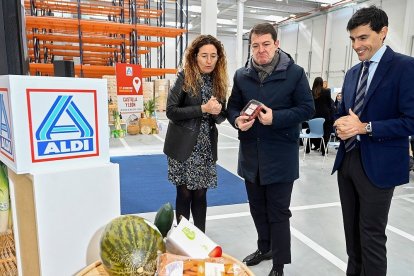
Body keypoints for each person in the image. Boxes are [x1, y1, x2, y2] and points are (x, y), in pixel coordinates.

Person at [227, 23, 314, 276]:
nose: (261, 50)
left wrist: (276, 118)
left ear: (277, 44)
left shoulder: (295, 73)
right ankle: (264, 247)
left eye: (266, 44)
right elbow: (232, 107)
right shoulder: (242, 75)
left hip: (281, 157)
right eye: (255, 45)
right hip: (251, 156)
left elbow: (307, 108)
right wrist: (236, 120)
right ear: (250, 47)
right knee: (257, 208)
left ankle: (279, 263)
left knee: (278, 212)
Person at [333, 6, 414, 276]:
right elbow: (344, 114)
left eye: (363, 38)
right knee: (352, 238)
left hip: (379, 166)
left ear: (383, 33)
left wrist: (365, 128)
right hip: (348, 162)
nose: (357, 45)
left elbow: (410, 120)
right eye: (353, 39)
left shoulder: (405, 67)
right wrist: (340, 124)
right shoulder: (353, 73)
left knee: (371, 238)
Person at [163, 35, 228, 233]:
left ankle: (200, 238)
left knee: (201, 195)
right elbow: (171, 111)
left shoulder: (219, 81)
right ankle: (182, 239)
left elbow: (220, 115)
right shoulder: (184, 77)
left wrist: (218, 112)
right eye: (204, 56)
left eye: (213, 56)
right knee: (184, 194)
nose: (209, 61)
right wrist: (202, 109)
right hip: (184, 147)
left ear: (219, 58)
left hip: (205, 148)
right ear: (195, 57)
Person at [308, 77, 334, 155]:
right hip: (325, 115)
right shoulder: (327, 91)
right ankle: (323, 150)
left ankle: (308, 148)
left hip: (313, 115)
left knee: (312, 131)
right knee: (326, 132)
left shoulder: (310, 92)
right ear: (322, 83)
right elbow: (329, 104)